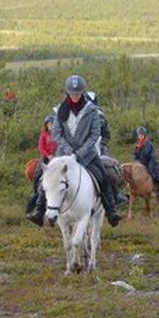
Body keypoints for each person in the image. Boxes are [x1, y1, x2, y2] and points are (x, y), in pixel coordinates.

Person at [26, 74, 121, 227]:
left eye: (77, 93)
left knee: (103, 175)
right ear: (67, 93)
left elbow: (95, 134)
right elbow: (56, 133)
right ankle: (39, 209)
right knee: (43, 176)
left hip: (87, 154)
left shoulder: (92, 110)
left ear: (82, 93)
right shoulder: (60, 110)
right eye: (72, 93)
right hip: (63, 153)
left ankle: (111, 210)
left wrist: (79, 153)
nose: (75, 96)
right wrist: (68, 149)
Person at [26, 115, 58, 218]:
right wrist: (48, 155)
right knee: (37, 174)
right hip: (46, 158)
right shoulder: (44, 135)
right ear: (46, 125)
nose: (51, 126)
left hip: (57, 158)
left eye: (52, 124)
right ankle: (36, 192)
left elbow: (61, 145)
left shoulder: (58, 135)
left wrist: (56, 155)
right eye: (49, 124)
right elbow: (41, 147)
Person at [133, 126, 159, 201]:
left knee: (155, 176)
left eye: (141, 135)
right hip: (141, 165)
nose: (140, 136)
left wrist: (150, 167)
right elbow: (135, 156)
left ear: (144, 135)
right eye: (139, 135)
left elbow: (153, 157)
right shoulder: (137, 145)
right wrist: (137, 163)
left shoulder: (149, 145)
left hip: (151, 164)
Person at [87, 91, 111, 156]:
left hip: (98, 145)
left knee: (108, 161)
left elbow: (106, 134)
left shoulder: (101, 116)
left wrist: (101, 143)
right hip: (83, 146)